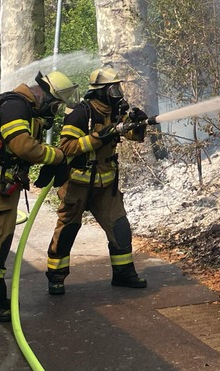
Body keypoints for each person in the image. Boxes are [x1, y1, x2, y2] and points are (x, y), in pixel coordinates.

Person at [0, 70, 75, 323]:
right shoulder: (16, 107)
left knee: (1, 242)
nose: (55, 110)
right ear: (45, 96)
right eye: (56, 104)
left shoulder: (23, 107)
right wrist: (57, 156)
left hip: (1, 183)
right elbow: (23, 147)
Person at [38, 67, 149, 296]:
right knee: (68, 230)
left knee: (120, 227)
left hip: (106, 185)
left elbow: (131, 135)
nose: (117, 92)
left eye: (118, 87)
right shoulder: (81, 114)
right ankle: (56, 277)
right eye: (113, 88)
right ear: (100, 91)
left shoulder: (116, 110)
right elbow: (66, 147)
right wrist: (97, 138)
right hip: (77, 183)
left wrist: (139, 124)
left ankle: (123, 273)